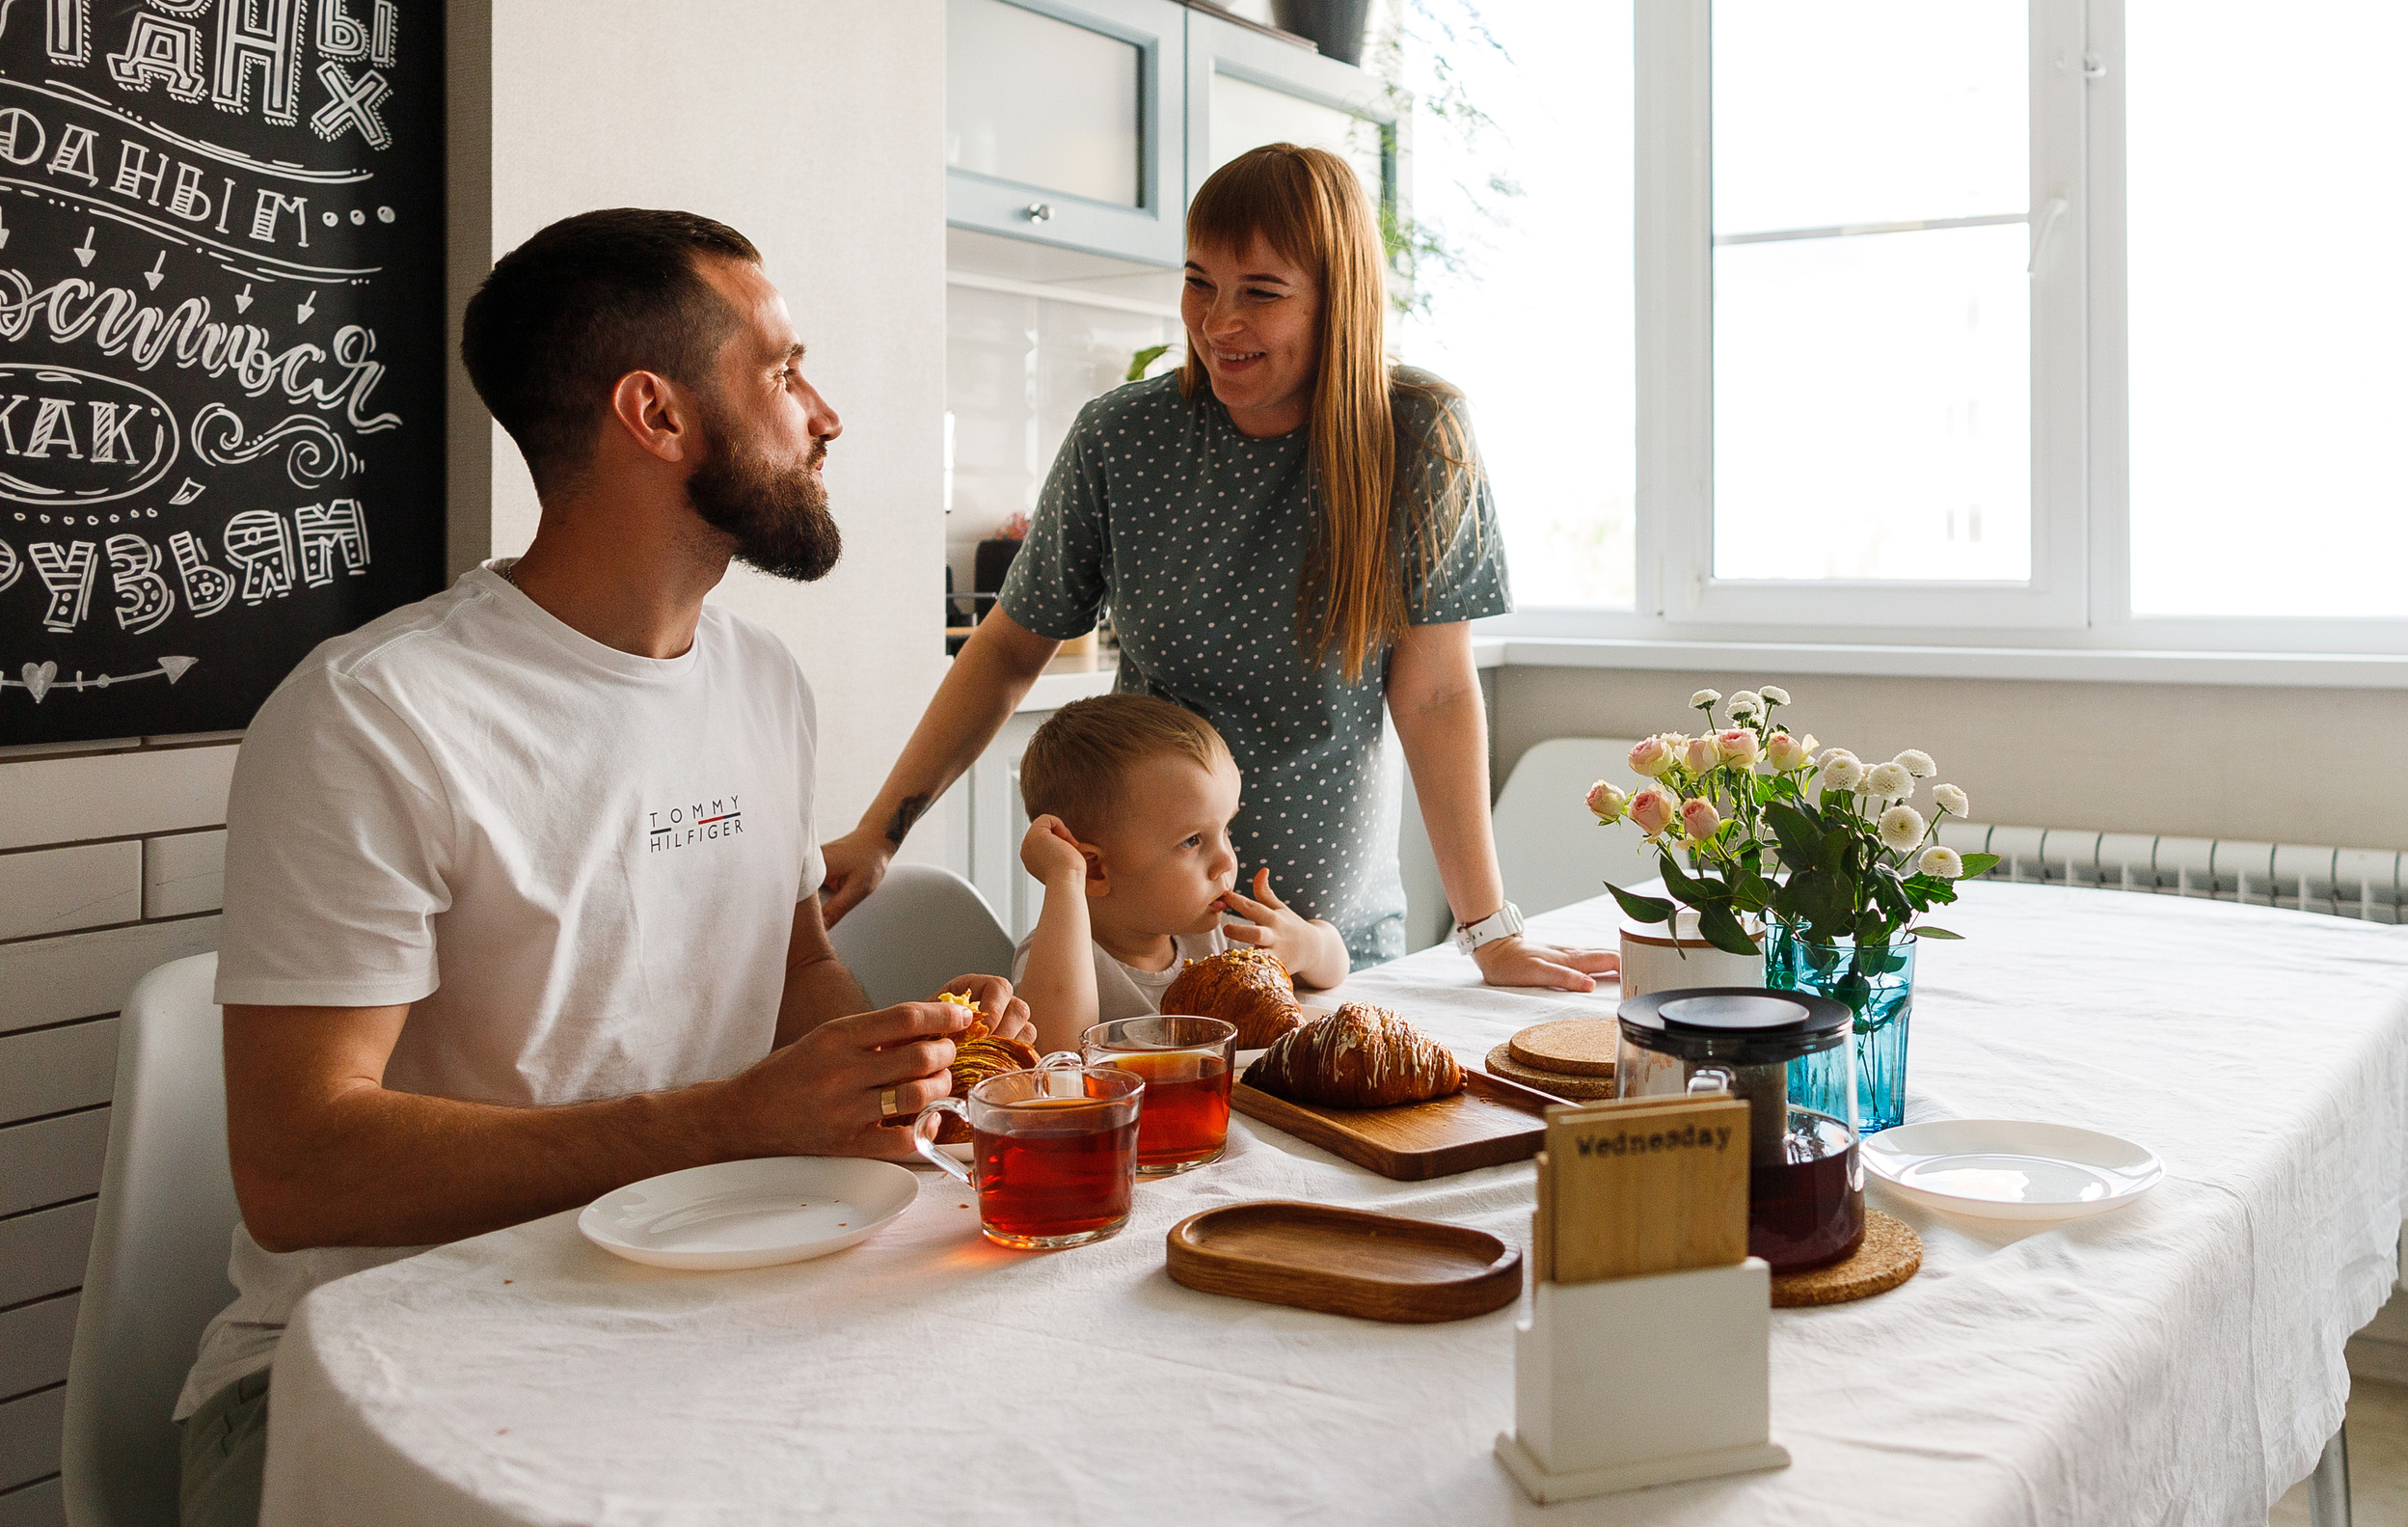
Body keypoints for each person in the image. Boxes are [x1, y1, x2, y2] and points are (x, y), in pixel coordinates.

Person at [172, 209, 1030, 1527]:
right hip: (354, 1376)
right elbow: (297, 1171)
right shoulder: (374, 713)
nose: (827, 414)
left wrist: (916, 1048)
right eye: (785, 370)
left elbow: (790, 962)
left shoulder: (760, 681)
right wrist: (729, 1120)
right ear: (658, 414)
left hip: (697, 1299)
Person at [825, 144, 1614, 991]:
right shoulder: (1122, 438)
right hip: (1142, 960)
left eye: (1262, 293)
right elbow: (1009, 650)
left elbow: (1436, 696)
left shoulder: (1420, 439)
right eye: (1199, 281)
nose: (1216, 322)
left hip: (1327, 953)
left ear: (1337, 303)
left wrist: (1489, 933)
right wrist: (882, 833)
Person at [1012, 694, 1346, 1045]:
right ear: (1095, 870)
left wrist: (1311, 947)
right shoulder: (1054, 954)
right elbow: (1052, 1051)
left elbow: (1335, 965)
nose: (1227, 861)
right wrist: (1065, 876)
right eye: (1192, 841)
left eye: (1226, 829)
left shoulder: (1214, 939)